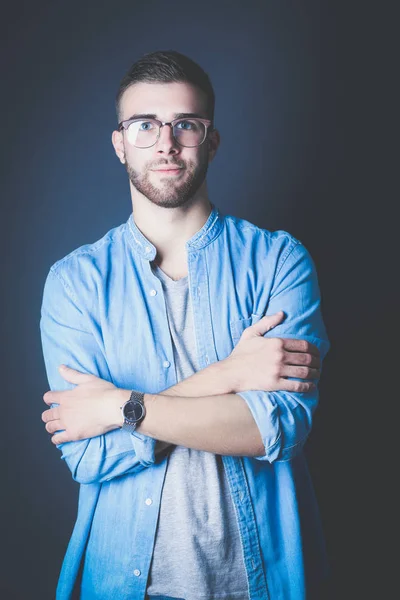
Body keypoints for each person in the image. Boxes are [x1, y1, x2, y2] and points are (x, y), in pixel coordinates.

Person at [40, 50, 330, 600]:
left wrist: (117, 408)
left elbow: (277, 429)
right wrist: (229, 375)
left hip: (260, 584)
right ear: (120, 142)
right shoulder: (74, 283)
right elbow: (87, 455)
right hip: (127, 587)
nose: (166, 143)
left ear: (212, 140)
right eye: (145, 125)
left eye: (186, 125)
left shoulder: (277, 261)